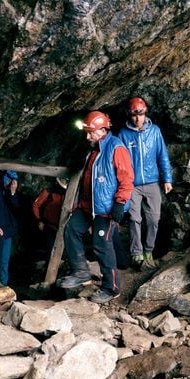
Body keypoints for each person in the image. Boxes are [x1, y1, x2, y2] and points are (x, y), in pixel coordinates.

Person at [58, 111, 134, 304]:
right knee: (71, 229)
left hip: (106, 209)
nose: (87, 136)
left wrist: (119, 203)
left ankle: (111, 288)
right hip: (88, 206)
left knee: (102, 245)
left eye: (90, 132)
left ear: (102, 130)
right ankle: (81, 272)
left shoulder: (116, 148)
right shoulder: (94, 149)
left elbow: (127, 178)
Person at [117, 96, 173, 271]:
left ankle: (149, 251)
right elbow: (119, 162)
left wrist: (167, 179)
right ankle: (136, 253)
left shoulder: (155, 131)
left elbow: (162, 156)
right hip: (132, 184)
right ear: (129, 115)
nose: (137, 119)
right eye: (134, 115)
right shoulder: (123, 134)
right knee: (134, 219)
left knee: (154, 219)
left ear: (145, 113)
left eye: (140, 114)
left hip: (152, 182)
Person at [31, 176, 68, 257]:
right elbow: (36, 205)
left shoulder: (70, 192)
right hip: (49, 226)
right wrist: (39, 220)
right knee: (50, 251)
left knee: (63, 252)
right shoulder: (48, 191)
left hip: (63, 226)